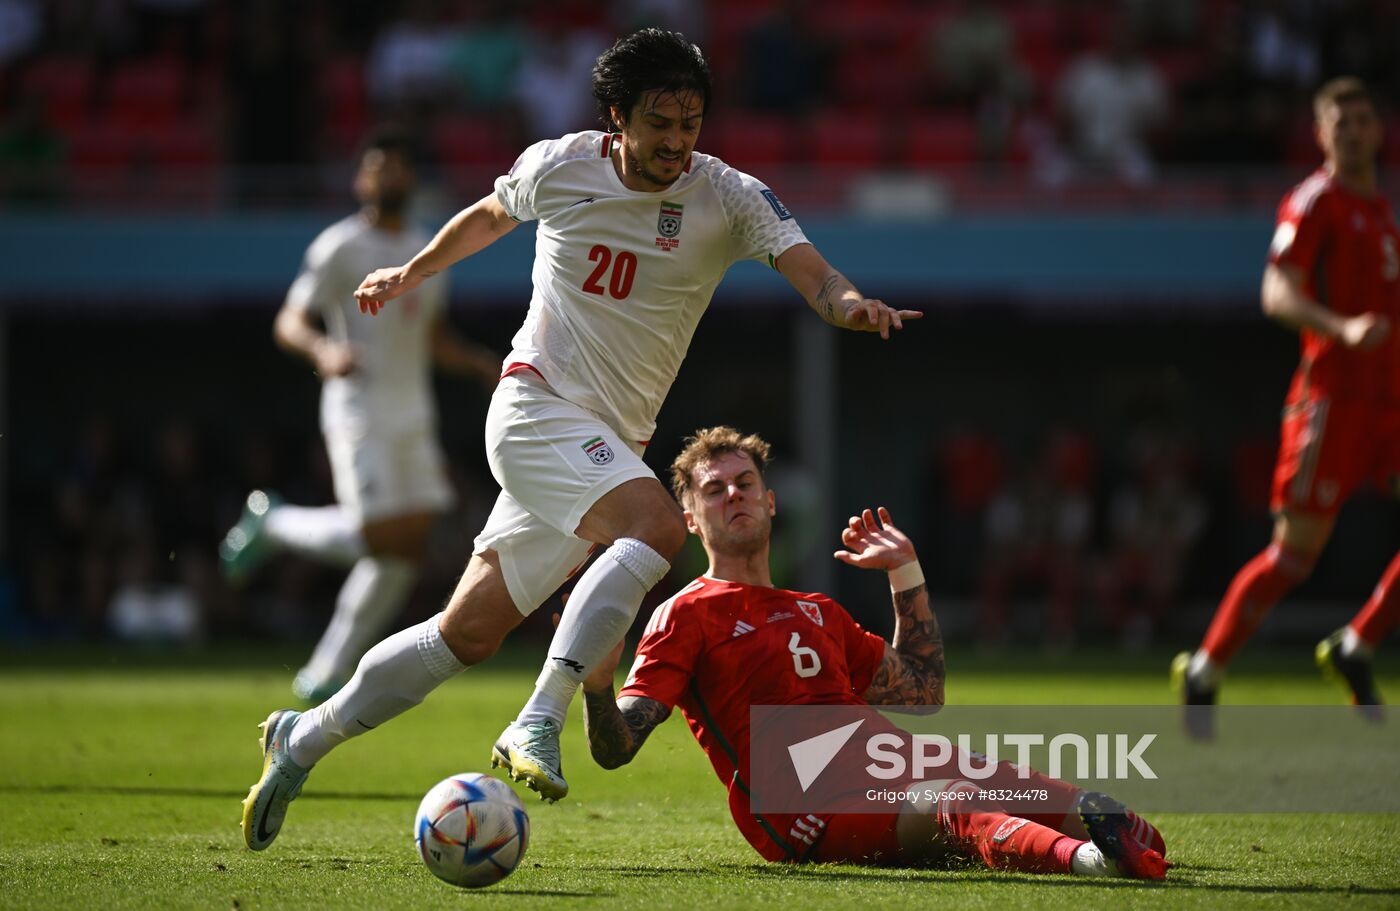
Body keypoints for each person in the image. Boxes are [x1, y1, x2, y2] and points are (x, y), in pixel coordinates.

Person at [240, 28, 919, 851]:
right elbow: (488, 215)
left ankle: (301, 738)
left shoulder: (730, 195)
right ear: (616, 118)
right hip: (535, 408)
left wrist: (850, 305)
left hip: (602, 448)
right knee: (661, 528)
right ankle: (537, 719)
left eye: (691, 121)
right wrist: (413, 271)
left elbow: (812, 270)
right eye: (660, 122)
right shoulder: (562, 164)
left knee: (467, 631)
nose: (677, 141)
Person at [578, 426, 1167, 878]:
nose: (734, 495)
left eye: (745, 483)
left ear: (771, 501)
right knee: (956, 802)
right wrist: (599, 688)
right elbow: (617, 748)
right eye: (714, 490)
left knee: (1106, 812)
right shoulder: (684, 615)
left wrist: (904, 574)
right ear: (690, 518)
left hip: (895, 766)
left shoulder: (817, 611)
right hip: (810, 808)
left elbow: (923, 690)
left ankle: (1111, 844)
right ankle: (1090, 863)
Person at [219, 127, 500, 703]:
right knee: (381, 539)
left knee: (404, 553)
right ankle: (274, 523)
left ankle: (325, 673)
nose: (390, 176)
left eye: (400, 166)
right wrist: (324, 349)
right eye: (379, 167)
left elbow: (431, 336)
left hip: (412, 412)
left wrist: (479, 364)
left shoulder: (429, 247)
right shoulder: (339, 247)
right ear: (360, 179)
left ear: (412, 178)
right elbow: (289, 321)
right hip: (358, 410)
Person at [1173, 77, 1400, 739]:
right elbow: (1276, 291)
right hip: (1332, 399)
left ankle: (1357, 644)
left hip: (1387, 399)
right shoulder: (1315, 200)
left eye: (1364, 119)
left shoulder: (1381, 211)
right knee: (1294, 557)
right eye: (1341, 121)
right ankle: (1205, 668)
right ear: (1320, 133)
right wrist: (1339, 327)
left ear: (1381, 131)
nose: (1354, 131)